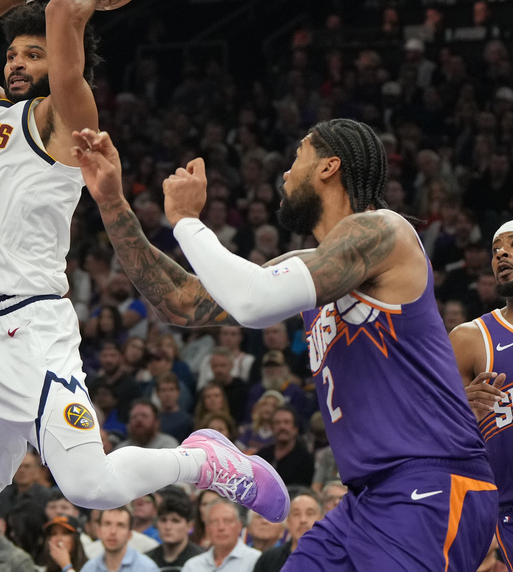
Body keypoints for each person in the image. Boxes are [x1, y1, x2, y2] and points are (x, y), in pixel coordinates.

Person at [0, 0, 287, 572]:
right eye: (12, 53)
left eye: (33, 54)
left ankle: (200, 461)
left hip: (21, 325)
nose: (16, 62)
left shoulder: (63, 121)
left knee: (88, 484)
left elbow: (65, 15)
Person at [72, 118, 498, 570]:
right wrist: (112, 203)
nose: (285, 172)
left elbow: (254, 301)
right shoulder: (311, 266)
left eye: (298, 157)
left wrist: (186, 221)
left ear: (329, 166)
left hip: (432, 483)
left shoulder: (384, 232)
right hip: (365, 500)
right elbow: (179, 302)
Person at [449, 219, 513, 562]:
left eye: (512, 245)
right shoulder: (470, 338)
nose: (502, 254)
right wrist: (460, 415)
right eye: (496, 250)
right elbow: (435, 436)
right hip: (501, 514)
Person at [252, 489, 323, 572]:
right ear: (288, 522)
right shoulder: (268, 559)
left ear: (322, 520)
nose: (303, 520)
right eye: (296, 514)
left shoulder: (334, 557)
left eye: (310, 513)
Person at [181, 501, 260, 572]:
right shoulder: (193, 566)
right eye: (214, 522)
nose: (221, 527)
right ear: (207, 528)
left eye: (227, 521)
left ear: (239, 526)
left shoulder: (256, 560)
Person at [81, 507, 159, 572]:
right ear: (99, 531)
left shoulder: (147, 568)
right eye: (107, 524)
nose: (113, 531)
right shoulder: (89, 568)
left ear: (130, 534)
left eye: (120, 525)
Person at [254, 407, 313, 488]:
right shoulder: (261, 456)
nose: (282, 427)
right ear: (272, 428)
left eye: (286, 422)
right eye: (277, 423)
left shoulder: (306, 460)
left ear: (295, 429)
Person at [146, 487, 203, 568]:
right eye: (163, 520)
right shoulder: (147, 560)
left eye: (175, 521)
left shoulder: (201, 561)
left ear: (189, 526)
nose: (168, 527)